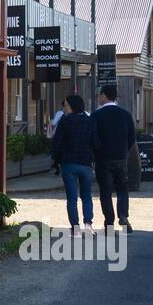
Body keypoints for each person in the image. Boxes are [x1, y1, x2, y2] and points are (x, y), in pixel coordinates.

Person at [91, 84, 136, 232]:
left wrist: (95, 153)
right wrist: (124, 151)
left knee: (106, 191)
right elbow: (131, 138)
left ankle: (109, 222)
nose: (98, 98)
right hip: (121, 157)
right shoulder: (125, 114)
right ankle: (123, 216)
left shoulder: (96, 115)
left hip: (103, 158)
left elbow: (93, 137)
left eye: (99, 95)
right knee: (123, 188)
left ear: (104, 95)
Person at [51, 94, 94, 236]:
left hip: (68, 163)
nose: (64, 109)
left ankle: (75, 228)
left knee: (72, 198)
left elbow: (57, 143)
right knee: (86, 195)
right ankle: (88, 224)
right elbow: (96, 142)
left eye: (66, 106)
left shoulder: (65, 122)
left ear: (72, 107)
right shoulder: (89, 121)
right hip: (86, 163)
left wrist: (56, 161)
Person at [47, 99, 68, 175]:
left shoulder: (60, 113)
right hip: (66, 136)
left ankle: (57, 167)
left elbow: (54, 123)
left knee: (56, 151)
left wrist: (51, 121)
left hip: (58, 135)